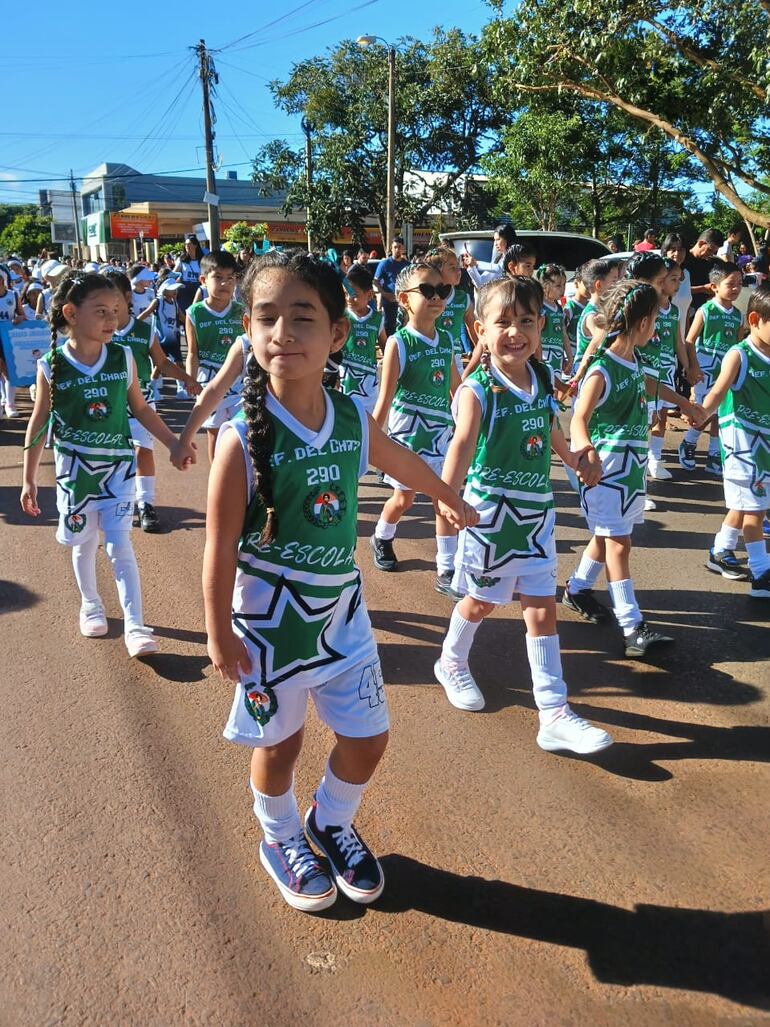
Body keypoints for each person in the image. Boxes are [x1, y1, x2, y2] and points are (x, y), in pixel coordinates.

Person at [202, 249, 475, 912]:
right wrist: (217, 635)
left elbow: (398, 457)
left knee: (368, 736)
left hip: (343, 618)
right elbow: (217, 547)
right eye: (267, 317)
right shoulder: (241, 439)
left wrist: (445, 491)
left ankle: (329, 819)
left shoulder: (349, 415)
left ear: (339, 333)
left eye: (303, 317)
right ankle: (280, 835)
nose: (283, 333)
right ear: (248, 329)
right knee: (281, 741)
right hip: (269, 626)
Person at [431, 275, 613, 751]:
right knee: (481, 601)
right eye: (503, 322)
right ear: (479, 331)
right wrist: (448, 495)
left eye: (526, 321)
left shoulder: (543, 376)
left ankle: (553, 710)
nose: (516, 332)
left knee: (541, 608)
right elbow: (462, 443)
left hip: (537, 517)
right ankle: (450, 661)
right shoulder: (477, 389)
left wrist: (573, 458)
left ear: (541, 324)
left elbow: (549, 424)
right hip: (489, 518)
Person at [20, 272, 195, 657]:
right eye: (101, 311)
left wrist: (173, 442)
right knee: (83, 544)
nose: (112, 319)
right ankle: (91, 605)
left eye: (115, 310)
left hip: (118, 469)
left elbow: (141, 408)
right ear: (71, 313)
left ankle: (135, 625)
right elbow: (38, 422)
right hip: (74, 476)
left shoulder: (123, 356)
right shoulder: (52, 365)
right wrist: (29, 479)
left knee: (119, 544)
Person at [563, 281, 700, 657]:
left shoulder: (634, 362)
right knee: (619, 545)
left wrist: (685, 406)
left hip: (629, 474)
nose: (656, 328)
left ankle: (576, 589)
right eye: (655, 320)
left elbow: (652, 385)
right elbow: (578, 418)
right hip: (604, 473)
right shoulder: (602, 369)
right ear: (642, 323)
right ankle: (632, 626)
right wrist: (585, 450)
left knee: (607, 537)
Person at [369, 261, 458, 590]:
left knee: (444, 499)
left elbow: (457, 391)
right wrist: (371, 445)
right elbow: (385, 398)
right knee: (403, 499)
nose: (437, 297)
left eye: (442, 290)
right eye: (427, 290)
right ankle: (381, 537)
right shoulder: (399, 343)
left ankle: (447, 569)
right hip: (407, 438)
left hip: (442, 438)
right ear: (403, 299)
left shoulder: (447, 340)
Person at [110, 272, 199, 532]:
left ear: (127, 297)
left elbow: (162, 363)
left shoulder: (143, 330)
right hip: (109, 404)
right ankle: (118, 501)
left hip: (142, 402)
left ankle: (145, 503)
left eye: (113, 296)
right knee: (115, 455)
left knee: (143, 450)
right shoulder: (98, 330)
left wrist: (186, 379)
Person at [698, 284, 770, 596]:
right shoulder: (739, 354)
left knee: (745, 506)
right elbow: (717, 390)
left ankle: (720, 550)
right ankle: (761, 573)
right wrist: (699, 412)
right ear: (755, 319)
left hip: (764, 447)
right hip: (743, 447)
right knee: (755, 511)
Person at [679, 260, 746, 478]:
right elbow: (689, 341)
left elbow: (738, 345)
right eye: (731, 283)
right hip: (705, 368)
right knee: (703, 410)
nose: (736, 288)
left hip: (725, 371)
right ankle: (689, 442)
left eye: (739, 283)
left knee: (721, 412)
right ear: (715, 286)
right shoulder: (705, 310)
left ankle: (715, 452)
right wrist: (693, 366)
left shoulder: (738, 315)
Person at [185, 250, 246, 463]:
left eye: (230, 278)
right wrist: (189, 379)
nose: (225, 284)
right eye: (218, 277)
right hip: (209, 381)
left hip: (239, 382)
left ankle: (247, 482)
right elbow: (193, 352)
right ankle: (217, 481)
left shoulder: (241, 311)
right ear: (203, 280)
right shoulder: (194, 313)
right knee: (216, 434)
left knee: (244, 431)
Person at [648, 258, 699, 480]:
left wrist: (686, 365)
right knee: (646, 416)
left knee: (661, 416)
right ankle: (643, 456)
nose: (677, 284)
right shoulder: (648, 307)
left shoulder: (676, 310)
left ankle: (655, 458)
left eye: (680, 280)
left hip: (667, 369)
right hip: (648, 369)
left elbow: (679, 342)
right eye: (673, 279)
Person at [339, 264, 386, 413]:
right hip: (344, 383)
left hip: (368, 387)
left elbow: (386, 346)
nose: (349, 299)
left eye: (354, 295)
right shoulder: (341, 317)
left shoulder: (377, 319)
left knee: (366, 425)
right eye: (346, 293)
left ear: (369, 295)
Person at [424, 246, 478, 376]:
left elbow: (473, 328)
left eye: (458, 267)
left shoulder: (463, 298)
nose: (458, 271)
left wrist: (480, 355)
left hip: (455, 362)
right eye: (452, 268)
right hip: (428, 360)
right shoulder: (425, 298)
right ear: (436, 271)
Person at [571, 259, 619, 374]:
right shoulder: (592, 315)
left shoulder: (602, 310)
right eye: (615, 280)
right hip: (585, 372)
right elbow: (603, 342)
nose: (619, 285)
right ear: (599, 285)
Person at [534, 263, 573, 386]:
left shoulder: (559, 308)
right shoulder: (539, 307)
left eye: (564, 285)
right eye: (558, 285)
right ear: (544, 286)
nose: (562, 289)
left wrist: (569, 356)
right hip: (544, 354)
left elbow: (563, 332)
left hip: (557, 355)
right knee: (546, 384)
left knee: (556, 386)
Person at [0, 264, 25, 417]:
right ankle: (3, 401)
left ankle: (10, 404)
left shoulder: (13, 295)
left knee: (9, 371)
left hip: (9, 338)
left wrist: (18, 319)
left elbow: (22, 315)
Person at [462, 223, 517, 288]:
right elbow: (481, 283)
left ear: (507, 239)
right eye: (494, 240)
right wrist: (472, 267)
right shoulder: (497, 259)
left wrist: (476, 263)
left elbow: (501, 269)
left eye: (498, 239)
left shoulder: (517, 257)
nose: (495, 243)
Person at [373, 238, 409, 337]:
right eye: (395, 247)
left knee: (404, 328)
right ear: (391, 248)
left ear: (403, 249)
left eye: (399, 247)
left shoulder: (407, 265)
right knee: (389, 328)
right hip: (389, 302)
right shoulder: (385, 263)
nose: (397, 249)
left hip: (404, 303)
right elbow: (375, 281)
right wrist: (384, 294)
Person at [684, 229, 724, 314]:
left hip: (702, 312)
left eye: (714, 252)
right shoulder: (682, 259)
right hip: (682, 312)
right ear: (701, 243)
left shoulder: (711, 263)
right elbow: (676, 289)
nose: (711, 254)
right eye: (709, 250)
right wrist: (702, 289)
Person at [660, 232, 692, 330]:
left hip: (680, 337)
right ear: (666, 252)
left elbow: (685, 311)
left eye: (681, 250)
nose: (677, 254)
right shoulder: (660, 275)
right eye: (673, 250)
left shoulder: (686, 274)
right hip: (664, 334)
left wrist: (686, 339)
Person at [174, 235, 204, 318]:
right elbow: (175, 272)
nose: (187, 246)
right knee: (185, 311)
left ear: (195, 245)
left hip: (198, 287)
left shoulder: (202, 260)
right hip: (185, 287)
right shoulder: (182, 259)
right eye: (186, 244)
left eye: (189, 244)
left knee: (197, 310)